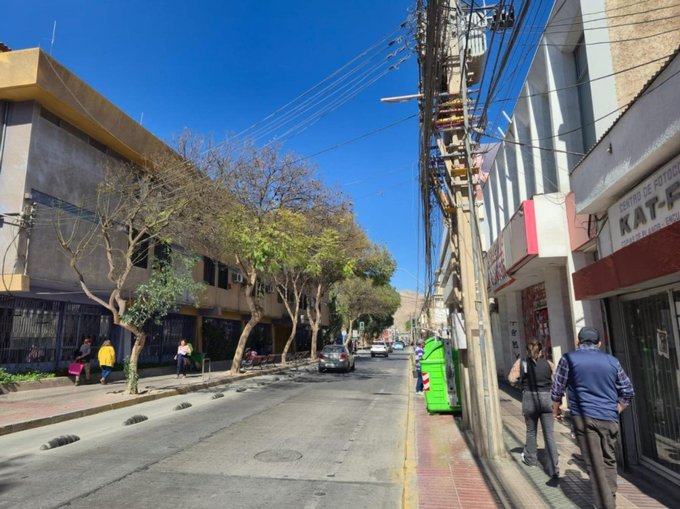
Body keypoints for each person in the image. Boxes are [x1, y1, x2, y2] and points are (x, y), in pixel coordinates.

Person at [551, 326, 635, 509]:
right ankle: (609, 498)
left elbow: (557, 389)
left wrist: (555, 411)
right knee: (609, 460)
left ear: (577, 341)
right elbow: (628, 391)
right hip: (609, 417)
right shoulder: (612, 361)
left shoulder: (568, 359)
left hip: (584, 417)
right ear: (599, 343)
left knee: (595, 464)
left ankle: (605, 504)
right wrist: (616, 409)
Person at [508, 339, 559, 486]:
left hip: (529, 398)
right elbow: (556, 380)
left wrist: (521, 384)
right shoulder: (548, 364)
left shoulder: (521, 362)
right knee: (549, 434)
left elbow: (511, 379)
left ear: (527, 351)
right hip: (547, 398)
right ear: (541, 351)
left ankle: (531, 459)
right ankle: (553, 467)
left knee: (531, 431)